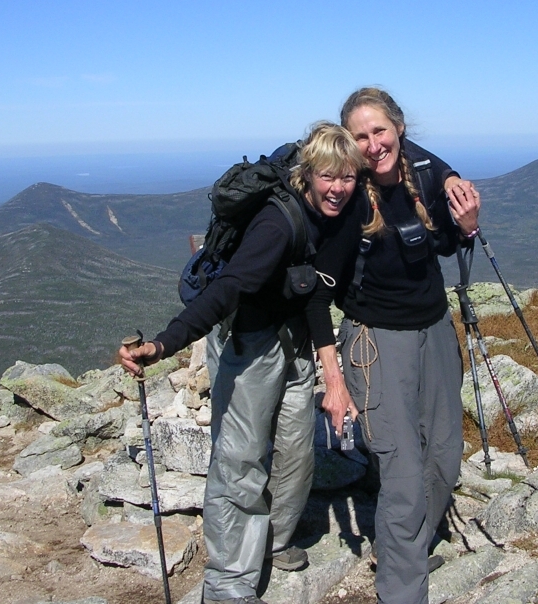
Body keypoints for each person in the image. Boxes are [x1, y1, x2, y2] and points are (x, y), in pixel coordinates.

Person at [120, 122, 366, 604]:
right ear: (308, 174)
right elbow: (226, 289)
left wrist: (329, 372)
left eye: (348, 178)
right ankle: (230, 583)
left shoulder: (340, 214)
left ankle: (273, 542)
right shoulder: (277, 225)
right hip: (247, 344)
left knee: (295, 449)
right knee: (241, 457)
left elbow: (314, 291)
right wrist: (165, 345)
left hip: (293, 342)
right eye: (328, 177)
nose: (338, 188)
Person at [306, 88, 481, 604]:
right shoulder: (349, 200)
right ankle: (403, 589)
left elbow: (443, 245)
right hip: (375, 342)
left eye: (379, 130)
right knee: (403, 472)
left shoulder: (424, 176)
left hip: (434, 332)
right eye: (360, 136)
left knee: (446, 453)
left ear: (399, 129)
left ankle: (404, 544)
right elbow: (318, 298)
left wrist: (466, 228)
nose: (372, 143)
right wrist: (334, 381)